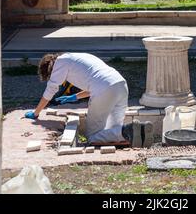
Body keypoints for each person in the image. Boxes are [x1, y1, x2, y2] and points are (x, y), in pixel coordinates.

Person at [24, 52, 153, 148]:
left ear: (49, 70)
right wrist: (74, 97)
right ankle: (138, 131)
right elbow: (99, 82)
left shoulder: (59, 63)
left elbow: (50, 91)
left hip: (105, 89)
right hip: (120, 85)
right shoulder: (78, 58)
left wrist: (36, 113)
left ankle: (128, 130)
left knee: (92, 137)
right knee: (113, 131)